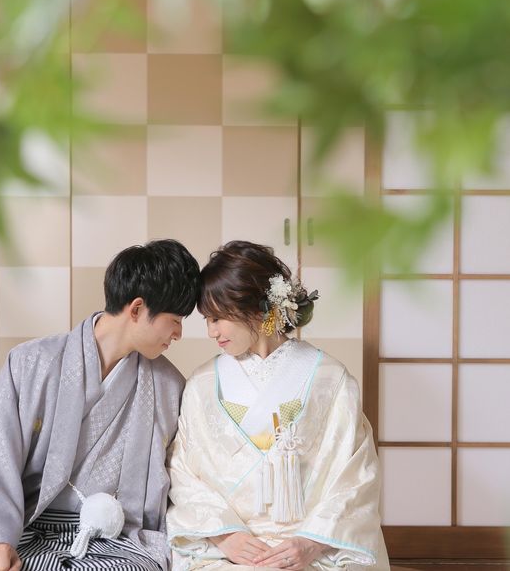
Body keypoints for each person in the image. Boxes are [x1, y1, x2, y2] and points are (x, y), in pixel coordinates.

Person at [0, 239, 201, 571]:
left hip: (118, 541)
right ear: (136, 309)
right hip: (27, 529)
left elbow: (182, 472)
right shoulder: (32, 363)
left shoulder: (167, 386)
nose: (178, 333)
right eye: (175, 319)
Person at [166, 240, 390, 570]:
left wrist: (310, 542)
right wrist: (225, 537)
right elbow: (183, 471)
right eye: (207, 320)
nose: (211, 331)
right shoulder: (202, 384)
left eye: (218, 318)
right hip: (228, 547)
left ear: (259, 309)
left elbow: (356, 475)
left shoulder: (330, 379)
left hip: (313, 547)